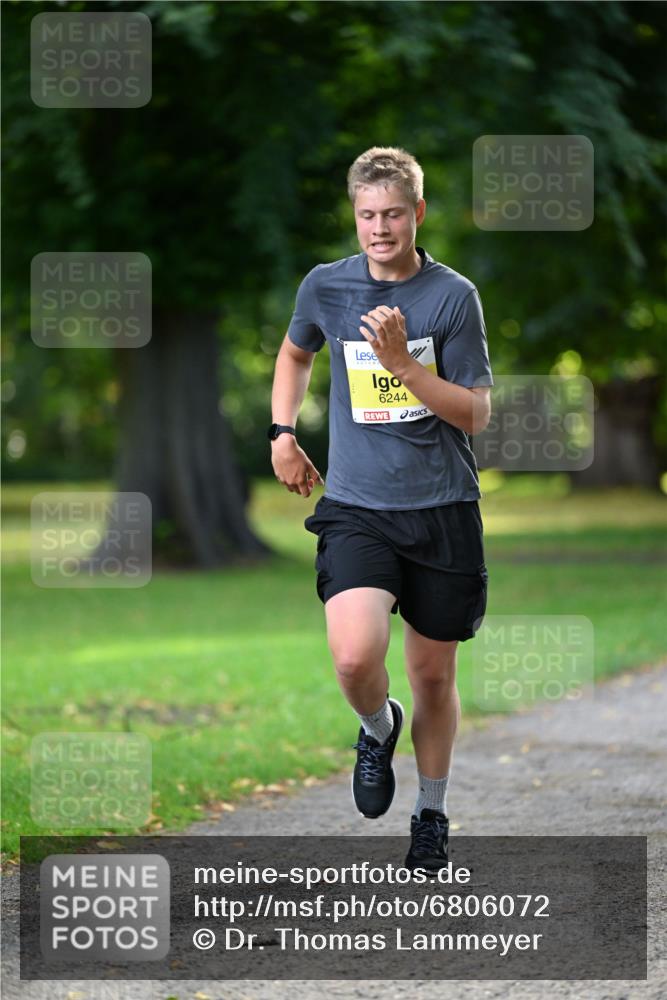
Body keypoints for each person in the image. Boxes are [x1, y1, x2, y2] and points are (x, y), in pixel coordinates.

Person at [268, 146, 493, 871]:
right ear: (354, 215)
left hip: (441, 508)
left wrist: (402, 365)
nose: (379, 228)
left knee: (432, 676)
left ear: (417, 212)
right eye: (366, 215)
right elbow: (295, 353)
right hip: (357, 506)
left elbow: (474, 413)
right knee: (353, 655)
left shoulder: (452, 296)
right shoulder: (326, 286)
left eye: (392, 214)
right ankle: (375, 726)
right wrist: (281, 433)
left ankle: (430, 815)